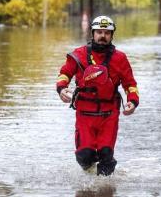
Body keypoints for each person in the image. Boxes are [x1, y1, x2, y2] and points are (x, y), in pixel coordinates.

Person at [56, 15, 139, 176]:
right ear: (92, 33)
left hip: (109, 114)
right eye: (99, 32)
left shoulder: (120, 58)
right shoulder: (78, 55)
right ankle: (89, 185)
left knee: (106, 155)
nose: (103, 36)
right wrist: (61, 88)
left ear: (111, 35)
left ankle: (105, 195)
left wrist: (133, 102)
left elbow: (130, 84)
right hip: (85, 114)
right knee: (84, 156)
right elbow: (64, 73)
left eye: (107, 33)